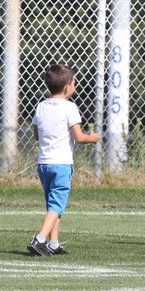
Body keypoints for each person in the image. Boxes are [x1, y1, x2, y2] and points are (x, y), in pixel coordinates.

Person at [28, 64, 100, 256]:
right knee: (57, 203)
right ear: (67, 87)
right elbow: (79, 137)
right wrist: (92, 138)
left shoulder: (41, 106)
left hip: (43, 163)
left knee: (52, 204)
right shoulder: (70, 108)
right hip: (61, 164)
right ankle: (40, 239)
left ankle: (53, 243)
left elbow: (36, 134)